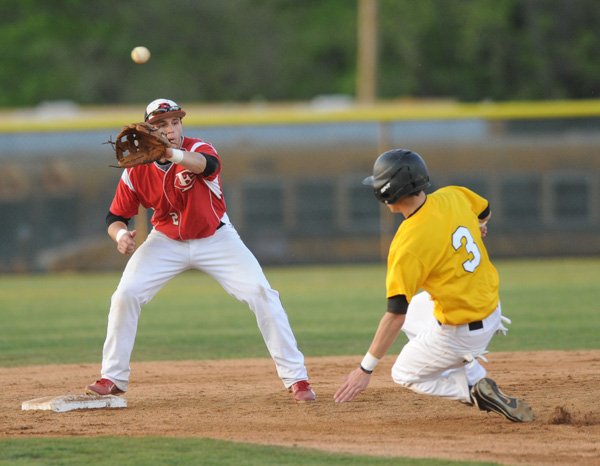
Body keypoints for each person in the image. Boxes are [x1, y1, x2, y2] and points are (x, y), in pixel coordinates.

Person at [86, 98, 315, 402]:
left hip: (216, 238)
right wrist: (119, 237)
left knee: (261, 292)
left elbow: (208, 166)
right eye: (162, 124)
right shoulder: (136, 170)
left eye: (175, 122)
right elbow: (115, 216)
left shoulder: (198, 149)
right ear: (147, 130)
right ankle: (112, 378)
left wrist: (171, 153)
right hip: (165, 241)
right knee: (125, 295)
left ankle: (297, 379)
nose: (171, 128)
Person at [333, 148, 534, 422]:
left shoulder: (408, 243)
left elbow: (394, 314)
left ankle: (473, 389)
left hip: (463, 329)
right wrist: (479, 225)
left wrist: (365, 370)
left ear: (390, 191)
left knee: (402, 373)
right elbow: (484, 211)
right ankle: (473, 373)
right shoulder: (453, 195)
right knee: (416, 311)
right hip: (490, 307)